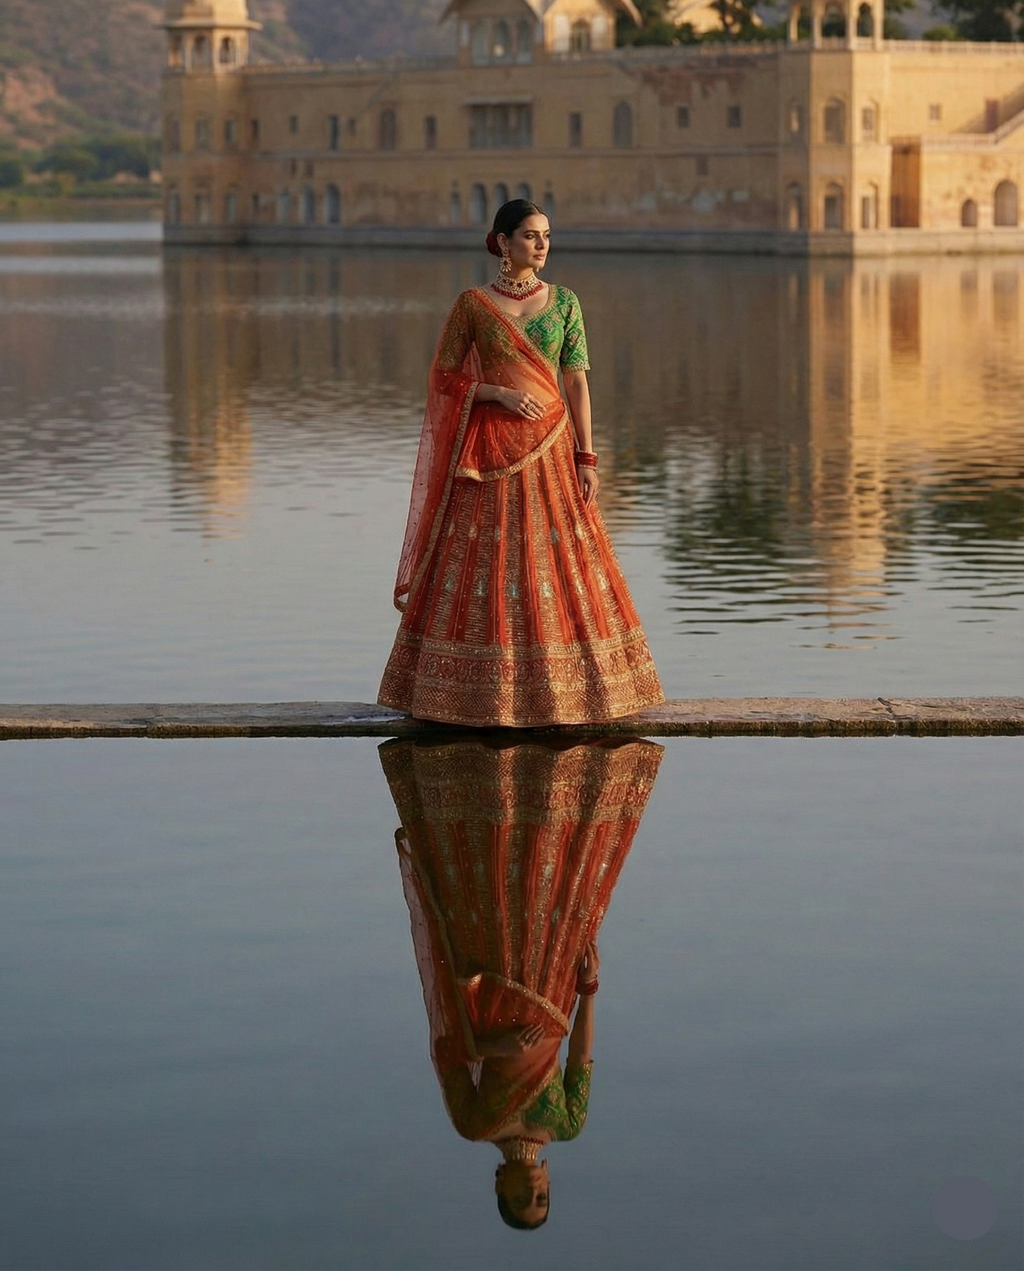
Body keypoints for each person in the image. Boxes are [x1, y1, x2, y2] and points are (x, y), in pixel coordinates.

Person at [378, 198, 664, 727]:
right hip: (487, 454)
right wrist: (493, 393)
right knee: (489, 564)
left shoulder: (565, 303)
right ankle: (467, 697)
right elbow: (443, 379)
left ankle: (570, 693)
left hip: (552, 452)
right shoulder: (473, 305)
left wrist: (588, 455)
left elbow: (576, 380)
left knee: (554, 564)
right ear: (502, 243)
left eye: (547, 236)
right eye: (530, 236)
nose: (542, 245)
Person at [380, 735, 664, 1228]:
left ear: (500, 1187)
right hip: (554, 989)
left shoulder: (473, 1125)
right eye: (542, 1200)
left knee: (495, 892)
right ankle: (557, 776)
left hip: (495, 994)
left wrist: (497, 1045)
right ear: (549, 1183)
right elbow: (580, 1057)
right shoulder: (569, 1125)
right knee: (548, 884)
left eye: (521, 1202)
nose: (532, 1195)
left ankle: (485, 778)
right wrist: (591, 988)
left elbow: (449, 1050)